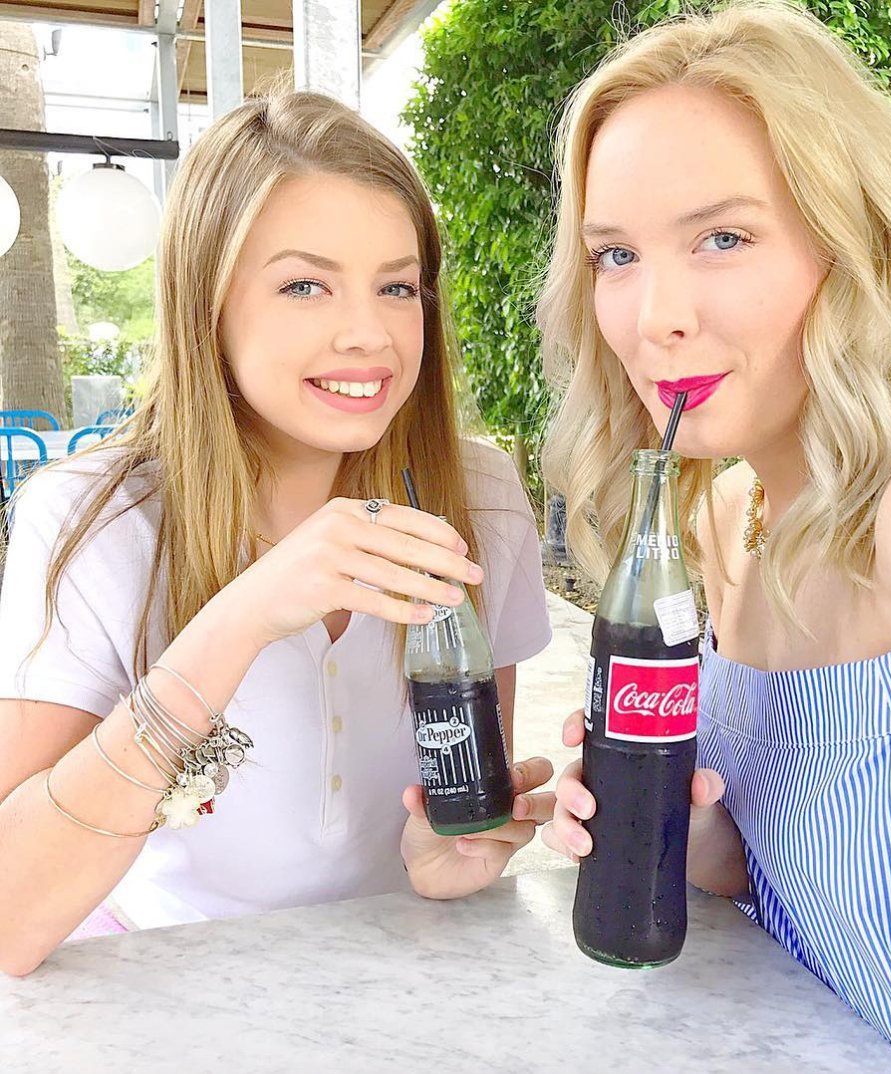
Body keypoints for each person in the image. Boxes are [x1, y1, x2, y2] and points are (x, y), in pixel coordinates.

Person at [539, 3, 891, 1072]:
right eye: (617, 255)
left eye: (723, 238)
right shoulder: (730, 519)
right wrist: (707, 848)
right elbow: (854, 925)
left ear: (853, 243)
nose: (655, 317)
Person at [0, 90, 554, 977]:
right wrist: (240, 619)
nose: (369, 335)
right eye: (305, 285)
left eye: (398, 286)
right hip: (164, 978)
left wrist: (448, 856)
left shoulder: (477, 496)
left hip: (404, 976)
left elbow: (466, 805)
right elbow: (10, 918)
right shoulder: (90, 518)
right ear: (206, 304)